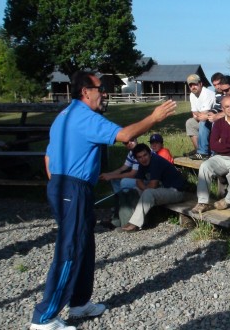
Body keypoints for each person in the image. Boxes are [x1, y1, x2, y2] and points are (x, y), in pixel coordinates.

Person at [31, 71, 176, 330]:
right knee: (70, 249)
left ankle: (79, 303)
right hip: (72, 188)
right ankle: (44, 318)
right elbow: (124, 134)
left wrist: (61, 182)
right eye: (101, 88)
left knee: (85, 246)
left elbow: (48, 158)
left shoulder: (66, 115)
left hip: (72, 186)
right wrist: (154, 117)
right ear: (86, 91)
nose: (105, 92)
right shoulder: (84, 116)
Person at [192, 96, 230, 212]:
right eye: (227, 107)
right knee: (205, 166)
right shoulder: (219, 123)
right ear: (223, 109)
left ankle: (228, 200)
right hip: (220, 157)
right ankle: (202, 202)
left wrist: (223, 141)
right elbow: (214, 145)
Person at [117, 143, 186, 232]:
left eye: (145, 155)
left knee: (148, 193)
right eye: (140, 157)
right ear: (137, 158)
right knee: (134, 190)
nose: (143, 159)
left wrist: (145, 191)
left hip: (176, 191)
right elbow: (138, 181)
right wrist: (144, 190)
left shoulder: (156, 161)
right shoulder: (142, 163)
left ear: (150, 153)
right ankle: (124, 220)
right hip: (163, 189)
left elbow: (153, 185)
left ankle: (134, 224)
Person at [184, 73, 216, 160]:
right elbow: (194, 113)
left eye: (195, 84)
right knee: (190, 122)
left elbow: (204, 115)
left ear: (201, 84)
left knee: (203, 121)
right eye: (191, 85)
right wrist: (199, 114)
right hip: (204, 119)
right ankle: (198, 150)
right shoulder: (192, 95)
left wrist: (199, 114)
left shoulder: (207, 93)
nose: (193, 87)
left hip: (214, 122)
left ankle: (204, 152)